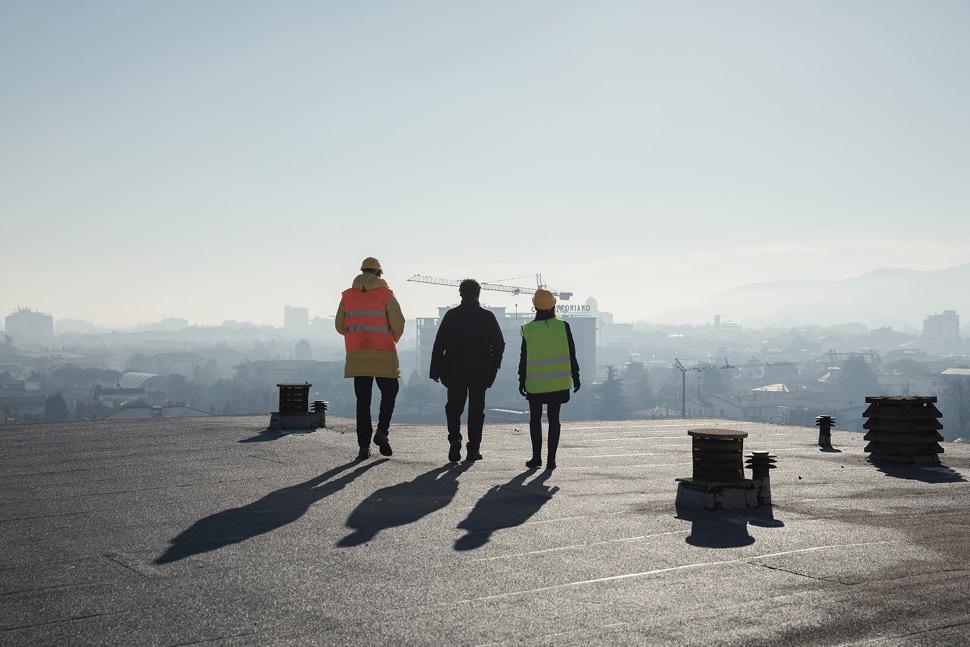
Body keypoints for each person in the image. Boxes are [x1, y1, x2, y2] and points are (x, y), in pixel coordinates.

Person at [336, 257, 406, 460]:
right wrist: (391, 337)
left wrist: (356, 336)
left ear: (361, 271)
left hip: (358, 355)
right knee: (390, 392)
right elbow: (399, 322)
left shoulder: (347, 296)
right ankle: (382, 431)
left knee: (363, 402)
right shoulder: (386, 295)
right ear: (379, 273)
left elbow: (340, 325)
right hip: (384, 353)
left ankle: (363, 447)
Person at [430, 279, 505, 463]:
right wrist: (493, 367)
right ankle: (473, 449)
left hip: (454, 370)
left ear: (460, 294)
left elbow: (439, 344)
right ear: (478, 294)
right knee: (476, 410)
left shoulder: (451, 316)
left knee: (454, 407)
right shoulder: (487, 317)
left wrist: (435, 369)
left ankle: (455, 439)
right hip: (479, 371)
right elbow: (499, 344)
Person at [518, 289, 580, 470]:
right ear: (554, 304)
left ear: (534, 306)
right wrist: (576, 376)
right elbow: (571, 354)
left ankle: (536, 458)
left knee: (535, 419)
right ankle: (551, 460)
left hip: (535, 383)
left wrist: (521, 380)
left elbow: (524, 358)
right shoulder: (563, 326)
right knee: (554, 420)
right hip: (558, 383)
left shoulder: (528, 329)